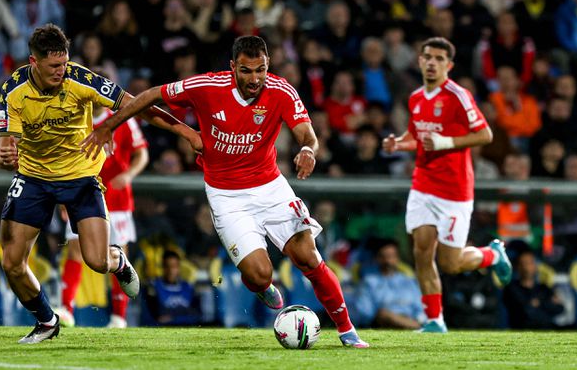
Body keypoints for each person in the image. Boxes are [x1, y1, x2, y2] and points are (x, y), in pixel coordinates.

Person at [85, 35, 370, 348]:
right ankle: (261, 286)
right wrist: (110, 125)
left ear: (268, 65)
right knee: (261, 275)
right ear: (233, 67)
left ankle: (347, 330)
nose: (254, 78)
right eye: (246, 71)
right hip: (227, 197)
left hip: (270, 188)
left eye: (260, 70)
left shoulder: (281, 90)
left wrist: (307, 149)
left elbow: (307, 133)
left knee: (307, 255)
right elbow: (151, 95)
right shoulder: (207, 86)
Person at [0, 24, 199, 344]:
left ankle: (117, 259)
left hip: (80, 178)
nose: (61, 72)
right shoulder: (13, 90)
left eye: (64, 64)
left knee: (96, 260)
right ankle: (47, 321)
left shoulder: (82, 79)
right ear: (33, 63)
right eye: (53, 67)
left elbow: (136, 104)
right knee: (11, 262)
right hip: (34, 177)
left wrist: (186, 133)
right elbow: (7, 144)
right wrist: (5, 153)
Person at [382, 37, 512, 333]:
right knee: (421, 251)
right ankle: (434, 320)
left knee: (451, 263)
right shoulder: (415, 98)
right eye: (427, 56)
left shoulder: (458, 95)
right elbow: (418, 137)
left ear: (448, 66)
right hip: (423, 185)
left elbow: (485, 134)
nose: (431, 62)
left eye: (439, 59)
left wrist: (447, 142)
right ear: (419, 61)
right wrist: (398, 144)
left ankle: (493, 254)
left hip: (454, 192)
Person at [59, 103, 149, 329]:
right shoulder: (76, 120)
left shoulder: (124, 120)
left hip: (117, 199)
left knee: (118, 254)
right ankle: (67, 310)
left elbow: (142, 154)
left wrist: (128, 175)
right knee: (75, 248)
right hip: (82, 194)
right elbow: (63, 160)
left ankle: (119, 316)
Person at [352, 239, 424, 329]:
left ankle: (412, 325)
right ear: (377, 258)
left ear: (398, 258)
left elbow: (420, 309)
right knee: (383, 314)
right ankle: (415, 327)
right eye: (383, 257)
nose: (388, 261)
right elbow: (365, 314)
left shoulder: (408, 282)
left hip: (410, 319)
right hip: (382, 323)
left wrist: (417, 319)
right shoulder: (369, 282)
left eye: (391, 256)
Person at [502, 249, 564, 329]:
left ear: (535, 266)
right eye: (523, 264)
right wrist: (546, 303)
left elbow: (559, 309)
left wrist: (538, 303)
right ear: (518, 267)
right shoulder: (512, 289)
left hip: (546, 331)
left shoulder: (543, 288)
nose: (526, 268)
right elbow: (526, 312)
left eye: (530, 263)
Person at [145, 250, 201, 326]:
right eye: (167, 266)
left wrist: (174, 317)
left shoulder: (188, 287)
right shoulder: (154, 287)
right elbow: (155, 317)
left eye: (174, 266)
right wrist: (183, 313)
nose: (170, 270)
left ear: (179, 268)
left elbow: (197, 315)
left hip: (186, 327)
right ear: (162, 268)